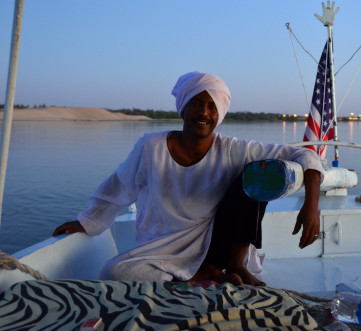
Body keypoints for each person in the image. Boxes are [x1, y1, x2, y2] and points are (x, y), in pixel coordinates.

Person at [53, 71, 325, 286]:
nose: (203, 112)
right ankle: (205, 278)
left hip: (218, 245)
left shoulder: (232, 149)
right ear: (182, 108)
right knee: (112, 273)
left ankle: (229, 267)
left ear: (219, 114)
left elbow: (305, 155)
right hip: (163, 251)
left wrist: (311, 204)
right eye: (196, 102)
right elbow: (117, 189)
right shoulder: (151, 147)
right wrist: (88, 221)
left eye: (211, 105)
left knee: (256, 172)